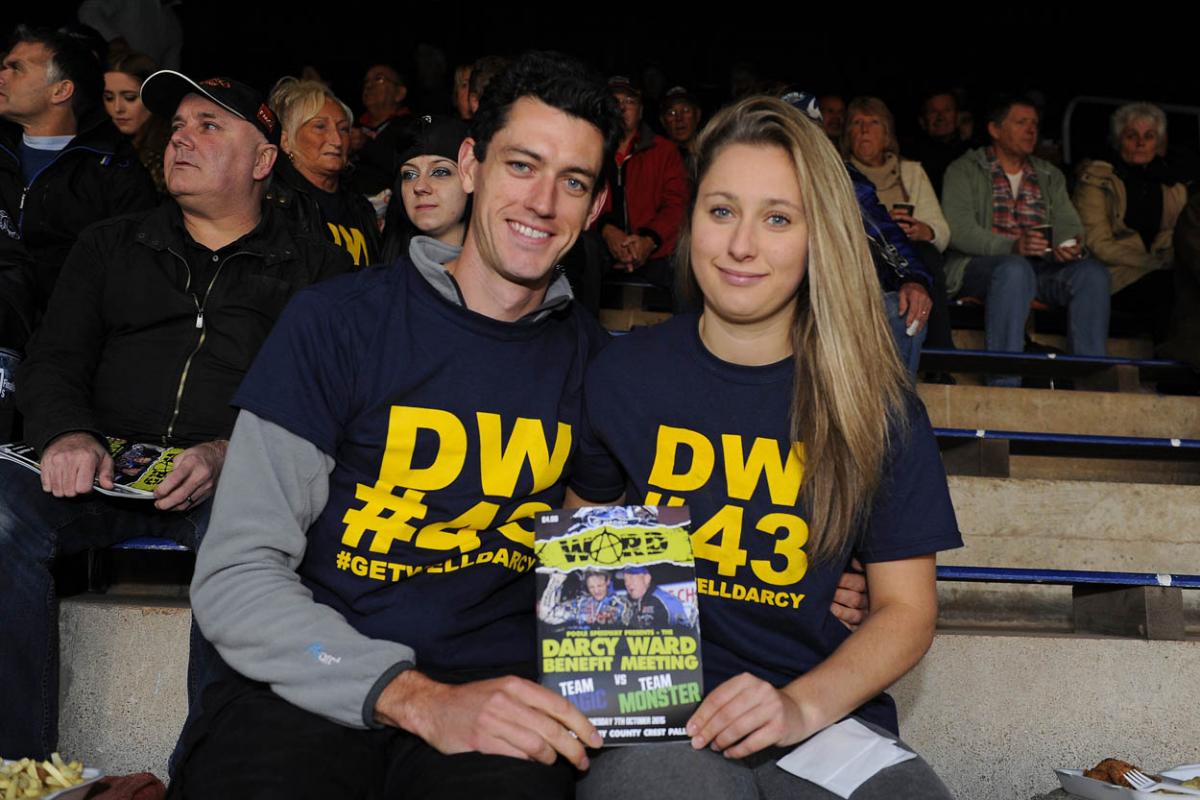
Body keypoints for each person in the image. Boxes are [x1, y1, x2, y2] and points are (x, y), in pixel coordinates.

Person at [170, 50, 624, 799]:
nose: (543, 202)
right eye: (522, 165)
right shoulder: (337, 323)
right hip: (312, 683)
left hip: (494, 707)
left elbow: (610, 561)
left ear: (597, 206)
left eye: (573, 181)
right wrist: (415, 698)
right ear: (472, 164)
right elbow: (236, 574)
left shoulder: (600, 370)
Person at [571, 95, 961, 800]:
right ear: (692, 221)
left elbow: (907, 611)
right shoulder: (624, 378)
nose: (742, 244)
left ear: (820, 237)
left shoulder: (875, 404)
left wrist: (797, 707)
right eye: (722, 211)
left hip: (824, 714)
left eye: (777, 218)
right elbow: (583, 578)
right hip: (661, 715)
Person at [0, 68, 351, 761]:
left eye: (209, 126)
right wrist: (66, 432)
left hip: (225, 472)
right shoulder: (109, 243)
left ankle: (208, 770)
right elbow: (54, 358)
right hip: (97, 460)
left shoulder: (316, 268)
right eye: (179, 126)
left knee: (250, 531)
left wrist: (233, 452)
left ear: (262, 160)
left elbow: (329, 399)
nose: (181, 138)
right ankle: (17, 767)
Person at [942, 95, 1110, 385]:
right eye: (1021, 123)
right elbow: (958, 231)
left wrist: (1067, 246)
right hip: (980, 268)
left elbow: (1070, 226)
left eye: (1034, 124)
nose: (1031, 130)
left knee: (1092, 274)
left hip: (1040, 269)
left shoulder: (1049, 174)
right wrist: (1012, 247)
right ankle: (1004, 384)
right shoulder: (965, 169)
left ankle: (1091, 381)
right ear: (995, 130)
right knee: (1013, 269)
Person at [0, 25, 156, 328]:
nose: (1, 76)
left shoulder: (115, 173)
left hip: (64, 345)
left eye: (16, 69)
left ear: (61, 90)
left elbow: (131, 280)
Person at [843, 96, 954, 352]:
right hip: (862, 258)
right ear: (848, 134)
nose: (864, 130)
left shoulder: (911, 172)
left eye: (873, 123)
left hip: (907, 258)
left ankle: (941, 350)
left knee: (925, 252)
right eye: (857, 123)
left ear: (887, 134)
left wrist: (923, 230)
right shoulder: (838, 173)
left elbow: (942, 231)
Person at [1073, 102, 1186, 341]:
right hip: (1112, 276)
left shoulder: (1173, 186)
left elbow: (1181, 237)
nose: (1141, 143)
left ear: (1160, 143)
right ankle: (1167, 371)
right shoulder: (1096, 180)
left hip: (1161, 271)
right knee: (1167, 288)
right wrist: (1152, 264)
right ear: (1118, 140)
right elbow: (1096, 243)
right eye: (1131, 135)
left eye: (1149, 136)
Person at [267, 77, 380, 267]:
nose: (336, 140)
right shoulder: (271, 204)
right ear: (285, 141)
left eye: (343, 129)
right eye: (320, 126)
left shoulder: (360, 207)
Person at [596, 75, 689, 292]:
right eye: (614, 102)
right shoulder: (590, 147)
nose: (622, 107)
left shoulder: (664, 151)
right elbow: (579, 198)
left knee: (685, 267)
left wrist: (648, 241)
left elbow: (677, 204)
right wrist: (608, 231)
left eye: (629, 101)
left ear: (641, 111)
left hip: (655, 248)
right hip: (602, 245)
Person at [379, 114, 470, 263]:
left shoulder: (508, 273)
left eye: (440, 172)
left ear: (471, 179)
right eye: (409, 175)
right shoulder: (378, 281)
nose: (420, 186)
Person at [103, 50, 171, 193]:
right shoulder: (101, 146)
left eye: (129, 97)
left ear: (153, 97)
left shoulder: (174, 150)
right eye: (109, 98)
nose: (117, 108)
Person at [346, 62, 411, 196]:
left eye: (379, 79)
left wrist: (366, 145)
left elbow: (405, 165)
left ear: (399, 93)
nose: (369, 86)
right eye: (366, 82)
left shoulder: (412, 126)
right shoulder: (352, 125)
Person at [906, 89, 969, 196]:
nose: (940, 117)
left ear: (958, 116)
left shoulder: (973, 155)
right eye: (933, 112)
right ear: (922, 120)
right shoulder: (912, 160)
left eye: (947, 110)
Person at [538, 569, 629, 629]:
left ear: (607, 582)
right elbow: (546, 614)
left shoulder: (622, 605)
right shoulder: (580, 603)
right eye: (591, 587)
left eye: (599, 585)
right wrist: (556, 579)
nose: (596, 591)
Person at [621, 565, 688, 628]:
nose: (627, 583)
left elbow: (687, 631)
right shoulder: (625, 604)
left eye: (632, 578)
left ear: (647, 579)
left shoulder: (665, 601)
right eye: (625, 580)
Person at [661, 85, 701, 159]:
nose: (679, 118)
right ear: (663, 120)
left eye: (686, 110)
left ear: (697, 115)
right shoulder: (658, 159)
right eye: (671, 113)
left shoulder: (712, 153)